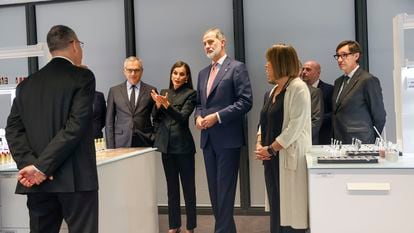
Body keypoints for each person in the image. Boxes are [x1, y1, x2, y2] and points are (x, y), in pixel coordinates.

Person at [5, 25, 98, 233]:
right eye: (80, 45)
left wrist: (32, 166)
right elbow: (75, 127)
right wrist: (41, 168)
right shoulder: (83, 77)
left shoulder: (26, 85)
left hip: (38, 185)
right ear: (74, 44)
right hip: (76, 179)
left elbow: (12, 130)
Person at [194, 28, 252, 233]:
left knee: (225, 193)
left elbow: (245, 102)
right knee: (215, 193)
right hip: (208, 140)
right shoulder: (202, 73)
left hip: (228, 140)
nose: (207, 46)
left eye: (211, 41)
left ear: (223, 42)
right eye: (204, 43)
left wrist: (217, 117)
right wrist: (199, 117)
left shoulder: (237, 68)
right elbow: (200, 103)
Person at [255, 43, 311, 233]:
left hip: (286, 157)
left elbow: (294, 127)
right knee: (277, 208)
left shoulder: (298, 88)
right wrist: (259, 144)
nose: (266, 66)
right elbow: (263, 120)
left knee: (291, 212)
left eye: (268, 62)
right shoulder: (272, 91)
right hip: (271, 159)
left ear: (280, 63)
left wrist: (270, 148)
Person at [151, 61, 197, 233]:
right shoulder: (164, 92)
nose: (178, 77)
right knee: (172, 189)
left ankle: (190, 226)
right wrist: (157, 106)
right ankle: (174, 225)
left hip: (183, 147)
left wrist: (166, 105)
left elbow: (182, 118)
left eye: (182, 74)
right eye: (175, 73)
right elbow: (156, 118)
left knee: (188, 188)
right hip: (167, 147)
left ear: (187, 78)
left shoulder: (191, 94)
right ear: (171, 74)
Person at [332, 40, 386, 144]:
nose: (339, 59)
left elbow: (379, 115)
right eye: (337, 56)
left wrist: (371, 139)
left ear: (356, 56)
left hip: (361, 141)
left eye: (344, 55)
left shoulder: (368, 80)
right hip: (338, 140)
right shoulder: (338, 82)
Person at [105, 56, 157, 148]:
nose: (133, 74)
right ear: (124, 71)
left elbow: (157, 118)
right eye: (130, 70)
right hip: (121, 142)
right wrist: (110, 147)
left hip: (145, 141)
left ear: (142, 71)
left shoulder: (151, 90)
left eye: (136, 70)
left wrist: (154, 137)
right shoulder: (114, 91)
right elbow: (109, 121)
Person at [301, 60, 334, 144]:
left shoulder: (329, 89)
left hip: (322, 136)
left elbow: (334, 112)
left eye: (308, 69)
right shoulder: (299, 90)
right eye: (303, 69)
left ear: (318, 73)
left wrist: (318, 119)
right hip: (303, 136)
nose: (304, 72)